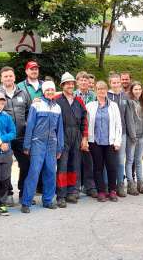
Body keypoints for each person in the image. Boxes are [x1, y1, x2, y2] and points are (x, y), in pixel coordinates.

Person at [0, 66, 31, 205]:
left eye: (10, 76)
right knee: (4, 167)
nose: (8, 78)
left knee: (25, 165)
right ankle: (8, 193)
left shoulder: (23, 93)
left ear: (14, 77)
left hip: (21, 136)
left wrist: (26, 126)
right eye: (5, 76)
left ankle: (24, 192)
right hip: (3, 139)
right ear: (1, 78)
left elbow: (29, 113)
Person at [20, 81, 64, 213]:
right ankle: (26, 202)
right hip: (37, 142)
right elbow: (30, 126)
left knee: (51, 171)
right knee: (34, 171)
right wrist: (27, 145)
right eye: (47, 90)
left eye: (52, 89)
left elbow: (59, 129)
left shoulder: (57, 107)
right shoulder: (37, 105)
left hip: (52, 143)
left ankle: (48, 200)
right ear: (43, 92)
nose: (50, 92)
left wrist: (59, 147)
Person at [55, 72, 88, 208]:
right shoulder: (56, 100)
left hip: (76, 135)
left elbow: (84, 120)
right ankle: (61, 195)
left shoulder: (79, 101)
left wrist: (84, 137)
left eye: (71, 83)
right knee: (62, 166)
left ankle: (72, 191)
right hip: (62, 135)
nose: (70, 85)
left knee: (75, 165)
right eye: (67, 83)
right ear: (62, 85)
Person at [86, 81, 122, 202]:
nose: (101, 91)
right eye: (99, 89)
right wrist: (86, 140)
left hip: (110, 142)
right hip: (95, 142)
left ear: (107, 90)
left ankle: (112, 190)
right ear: (95, 91)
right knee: (98, 167)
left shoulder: (113, 106)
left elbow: (118, 125)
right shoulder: (90, 106)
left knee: (112, 167)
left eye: (103, 89)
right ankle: (101, 191)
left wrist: (118, 141)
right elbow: (85, 124)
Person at [107, 73, 132, 197]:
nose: (116, 84)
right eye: (114, 82)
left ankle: (120, 184)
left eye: (118, 82)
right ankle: (108, 185)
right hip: (108, 134)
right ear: (110, 83)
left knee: (121, 160)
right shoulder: (106, 96)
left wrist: (130, 133)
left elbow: (128, 116)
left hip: (122, 133)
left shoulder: (125, 96)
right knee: (109, 161)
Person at [75, 71, 97, 198]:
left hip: (90, 131)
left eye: (86, 80)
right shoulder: (72, 95)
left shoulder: (94, 96)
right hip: (75, 132)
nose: (84, 82)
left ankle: (89, 186)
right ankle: (75, 187)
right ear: (77, 82)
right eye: (81, 80)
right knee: (76, 161)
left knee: (89, 161)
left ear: (89, 83)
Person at [125, 81, 143, 195]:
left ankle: (141, 183)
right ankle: (130, 184)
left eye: (139, 89)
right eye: (135, 89)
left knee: (139, 160)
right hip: (133, 136)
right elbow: (129, 120)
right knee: (130, 160)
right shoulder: (129, 103)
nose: (138, 91)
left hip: (142, 135)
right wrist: (133, 135)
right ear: (131, 90)